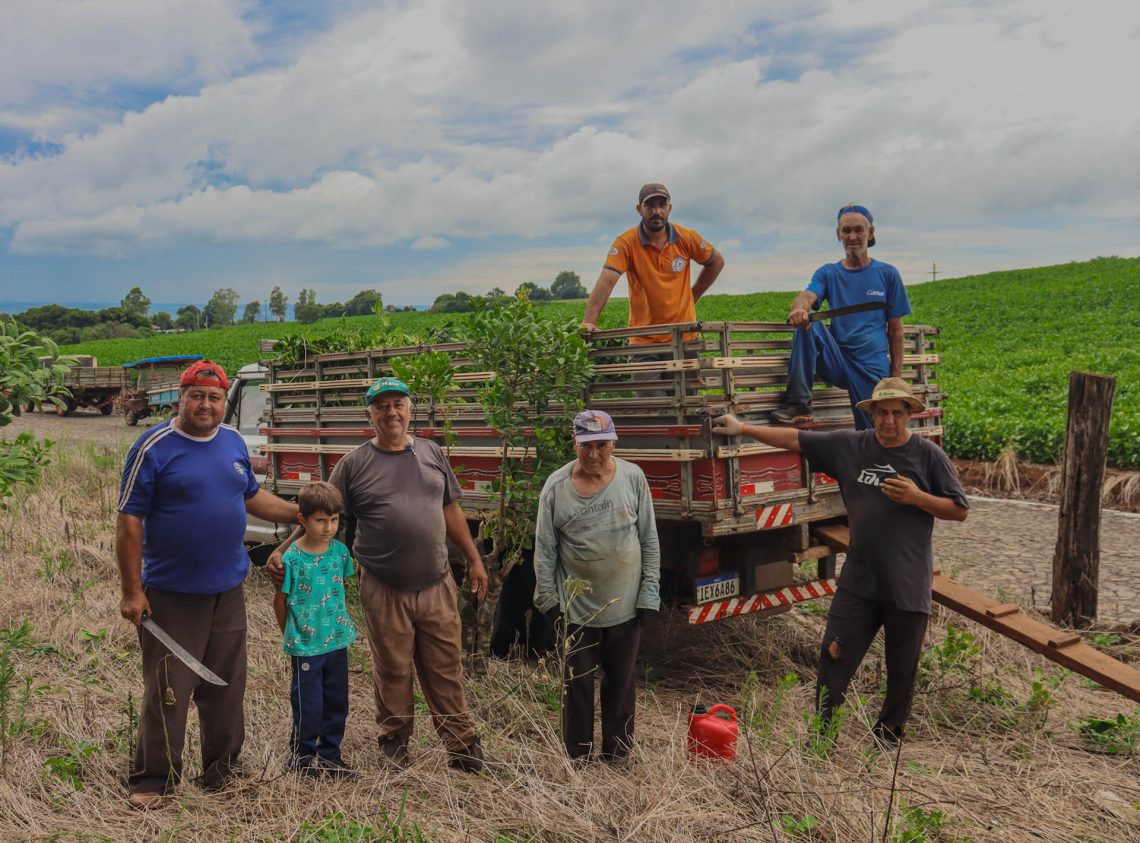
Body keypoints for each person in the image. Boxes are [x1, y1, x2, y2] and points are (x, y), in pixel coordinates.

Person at [713, 378, 967, 749]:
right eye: (882, 413)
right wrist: (742, 428)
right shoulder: (851, 446)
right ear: (872, 415)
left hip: (907, 581)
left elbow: (959, 510)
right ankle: (823, 736)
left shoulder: (928, 456)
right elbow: (795, 439)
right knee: (834, 657)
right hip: (860, 580)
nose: (889, 421)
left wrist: (917, 497)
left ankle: (887, 738)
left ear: (910, 414)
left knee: (902, 670)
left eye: (897, 413)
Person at [269, 377, 489, 772]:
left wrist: (474, 559)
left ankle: (461, 745)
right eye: (382, 406)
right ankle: (395, 740)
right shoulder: (353, 464)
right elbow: (323, 511)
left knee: (445, 665)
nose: (391, 412)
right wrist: (284, 550)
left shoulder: (431, 452)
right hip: (383, 583)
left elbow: (451, 510)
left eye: (398, 404)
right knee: (393, 666)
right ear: (368, 414)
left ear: (409, 409)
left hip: (437, 580)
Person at [116, 360, 299, 809]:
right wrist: (131, 590)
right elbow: (129, 520)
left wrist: (298, 512)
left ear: (223, 402)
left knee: (227, 685)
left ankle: (224, 770)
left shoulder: (233, 442)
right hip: (172, 593)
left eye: (215, 397)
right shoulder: (154, 446)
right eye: (197, 395)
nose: (206, 404)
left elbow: (251, 496)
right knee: (170, 688)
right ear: (181, 397)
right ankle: (154, 778)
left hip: (227, 590)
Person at [533, 410, 661, 762]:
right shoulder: (556, 488)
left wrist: (650, 594)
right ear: (574, 443)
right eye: (586, 445)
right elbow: (545, 551)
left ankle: (618, 755)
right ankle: (578, 757)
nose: (593, 454)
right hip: (577, 612)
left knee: (621, 684)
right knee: (577, 686)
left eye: (601, 445)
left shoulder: (632, 478)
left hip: (625, 607)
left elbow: (649, 539)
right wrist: (549, 603)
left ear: (613, 443)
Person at [771, 204, 911, 430]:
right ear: (838, 234)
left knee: (872, 436)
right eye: (846, 231)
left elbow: (896, 331)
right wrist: (799, 309)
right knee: (810, 323)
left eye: (858, 230)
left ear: (871, 233)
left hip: (872, 369)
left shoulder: (887, 274)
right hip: (838, 362)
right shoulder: (829, 273)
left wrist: (895, 380)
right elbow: (807, 296)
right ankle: (799, 405)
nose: (852, 236)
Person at [272, 481, 357, 779]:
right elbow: (280, 603)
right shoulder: (292, 560)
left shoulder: (340, 553)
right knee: (309, 704)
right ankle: (303, 760)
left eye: (333, 520)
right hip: (306, 646)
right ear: (302, 520)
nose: (328, 527)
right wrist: (292, 636)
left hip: (335, 641)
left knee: (337, 702)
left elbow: (338, 591)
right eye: (320, 520)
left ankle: (331, 757)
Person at [580, 182, 725, 352]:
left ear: (669, 208)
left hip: (684, 337)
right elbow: (607, 280)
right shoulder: (626, 243)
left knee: (688, 380)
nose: (657, 211)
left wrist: (692, 296)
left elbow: (716, 262)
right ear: (639, 209)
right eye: (649, 205)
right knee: (648, 379)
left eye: (662, 205)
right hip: (644, 340)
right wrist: (589, 321)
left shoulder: (686, 238)